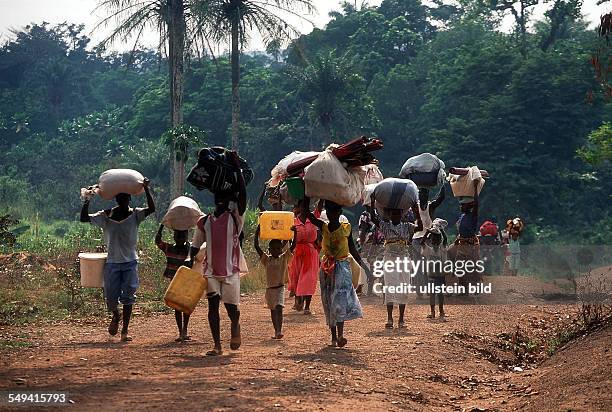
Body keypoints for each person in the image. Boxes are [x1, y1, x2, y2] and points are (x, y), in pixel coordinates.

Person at [80, 178, 155, 342]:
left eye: (125, 198)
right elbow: (84, 218)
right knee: (111, 299)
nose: (122, 201)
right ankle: (116, 315)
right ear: (116, 199)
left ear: (129, 199)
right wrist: (87, 199)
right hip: (112, 262)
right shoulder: (106, 216)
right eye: (120, 199)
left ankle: (125, 331)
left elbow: (152, 208)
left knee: (129, 296)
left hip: (130, 262)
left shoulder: (135, 214)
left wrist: (147, 189)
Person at [189, 151, 247, 356]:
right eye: (219, 198)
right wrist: (189, 259)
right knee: (212, 306)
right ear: (215, 199)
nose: (222, 201)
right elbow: (195, 246)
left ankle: (235, 325)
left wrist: (236, 167)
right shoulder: (205, 221)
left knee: (232, 309)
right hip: (211, 269)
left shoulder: (235, 218)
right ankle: (217, 345)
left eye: (225, 198)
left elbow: (243, 196)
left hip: (231, 270)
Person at [309, 200, 369, 348]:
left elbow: (353, 250)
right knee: (328, 300)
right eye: (329, 212)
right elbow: (308, 216)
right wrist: (316, 199)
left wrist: (365, 268)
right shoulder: (323, 226)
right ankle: (334, 337)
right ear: (327, 213)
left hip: (342, 268)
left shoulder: (346, 229)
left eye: (334, 212)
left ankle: (341, 335)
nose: (332, 214)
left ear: (339, 213)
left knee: (340, 300)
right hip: (327, 269)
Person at [370, 195, 422, 329]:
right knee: (390, 287)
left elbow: (420, 227)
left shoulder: (407, 226)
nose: (395, 216)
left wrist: (416, 211)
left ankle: (401, 319)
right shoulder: (385, 226)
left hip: (404, 259)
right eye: (393, 213)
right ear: (390, 214)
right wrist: (372, 202)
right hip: (390, 260)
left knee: (404, 288)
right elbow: (373, 218)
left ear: (402, 215)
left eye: (398, 213)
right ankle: (389, 318)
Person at [254, 225, 297, 339]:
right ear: (269, 250)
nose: (276, 251)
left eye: (278, 248)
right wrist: (257, 232)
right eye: (274, 249)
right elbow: (256, 246)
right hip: (270, 289)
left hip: (280, 288)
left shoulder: (284, 258)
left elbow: (293, 246)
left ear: (281, 249)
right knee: (273, 311)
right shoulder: (266, 259)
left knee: (279, 308)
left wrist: (295, 233)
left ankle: (279, 331)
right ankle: (276, 331)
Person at [155, 224, 191, 342]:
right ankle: (181, 331)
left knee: (185, 307)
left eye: (183, 235)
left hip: (186, 281)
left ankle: (184, 330)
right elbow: (158, 241)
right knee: (177, 307)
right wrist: (162, 226)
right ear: (174, 236)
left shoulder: (189, 250)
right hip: (174, 282)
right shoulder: (169, 248)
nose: (180, 237)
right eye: (178, 235)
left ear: (187, 236)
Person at [287, 197, 321, 314]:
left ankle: (307, 306)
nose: (304, 209)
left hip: (311, 253)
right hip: (297, 252)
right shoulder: (293, 221)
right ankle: (298, 301)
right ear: (299, 208)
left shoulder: (314, 218)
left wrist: (321, 194)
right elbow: (290, 240)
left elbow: (320, 207)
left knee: (308, 279)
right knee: (296, 277)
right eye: (302, 206)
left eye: (306, 206)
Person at [452, 180, 481, 290]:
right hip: (462, 244)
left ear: (469, 206)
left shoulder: (473, 215)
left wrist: (475, 188)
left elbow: (477, 203)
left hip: (470, 245)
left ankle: (476, 287)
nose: (461, 206)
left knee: (472, 267)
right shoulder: (463, 216)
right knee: (459, 266)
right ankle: (464, 288)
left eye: (463, 205)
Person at [421, 219, 448, 320]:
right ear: (430, 241)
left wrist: (441, 229)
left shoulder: (442, 249)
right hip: (431, 276)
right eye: (433, 240)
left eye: (437, 240)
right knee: (432, 294)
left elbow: (445, 239)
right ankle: (432, 312)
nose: (435, 242)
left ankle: (441, 310)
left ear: (440, 241)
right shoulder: (428, 249)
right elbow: (422, 242)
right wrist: (428, 232)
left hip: (441, 276)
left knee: (440, 294)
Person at [357, 204, 384, 294]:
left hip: (370, 243)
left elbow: (363, 230)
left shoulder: (366, 215)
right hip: (372, 243)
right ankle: (368, 290)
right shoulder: (375, 214)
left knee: (369, 265)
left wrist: (361, 243)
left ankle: (368, 290)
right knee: (371, 265)